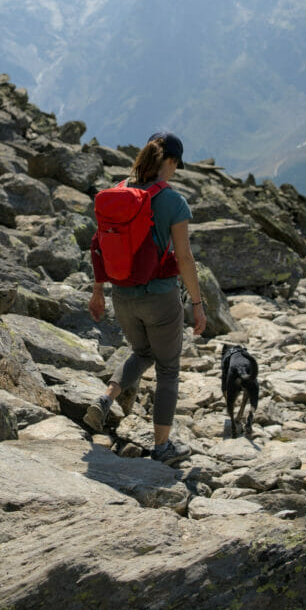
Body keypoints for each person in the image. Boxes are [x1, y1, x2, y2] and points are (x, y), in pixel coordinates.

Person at [84, 131, 206, 465]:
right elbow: (184, 258)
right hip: (160, 299)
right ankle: (163, 448)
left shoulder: (120, 192)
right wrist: (197, 304)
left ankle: (106, 397)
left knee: (142, 352)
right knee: (168, 369)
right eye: (176, 164)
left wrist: (98, 291)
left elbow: (97, 245)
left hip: (122, 295)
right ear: (169, 161)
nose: (176, 171)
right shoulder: (172, 201)